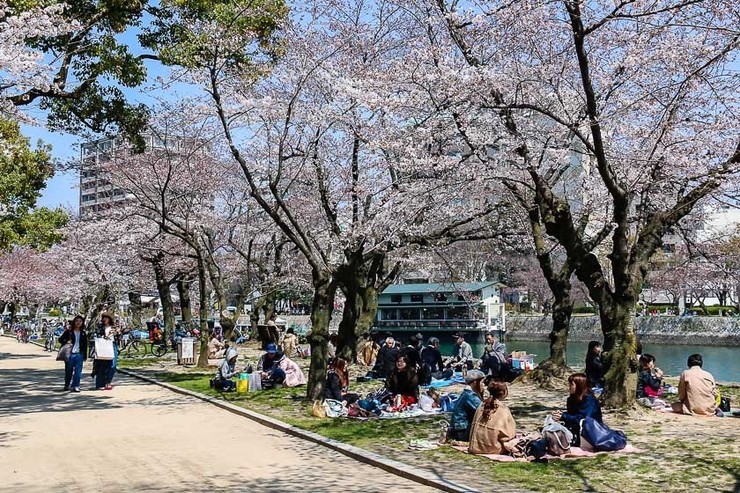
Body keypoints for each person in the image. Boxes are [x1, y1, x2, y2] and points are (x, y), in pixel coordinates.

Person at [468, 379, 517, 455]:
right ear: (504, 392)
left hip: (475, 446)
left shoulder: (482, 405)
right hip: (492, 448)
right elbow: (509, 434)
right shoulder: (503, 409)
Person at [554, 372, 603, 444]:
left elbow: (584, 419)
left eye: (571, 385)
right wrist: (561, 414)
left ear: (579, 385)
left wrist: (564, 416)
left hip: (592, 431)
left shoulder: (589, 400)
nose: (569, 387)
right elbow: (572, 414)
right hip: (576, 428)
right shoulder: (571, 399)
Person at [446, 370, 486, 442]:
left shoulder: (468, 394)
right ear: (474, 382)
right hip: (462, 431)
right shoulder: (470, 396)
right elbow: (483, 410)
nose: (483, 385)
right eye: (482, 382)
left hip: (460, 429)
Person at [59, 315, 88, 392]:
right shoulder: (69, 332)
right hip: (70, 354)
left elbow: (85, 345)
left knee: (78, 371)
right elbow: (60, 339)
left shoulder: (83, 333)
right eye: (77, 321)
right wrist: (66, 341)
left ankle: (76, 385)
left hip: (79, 354)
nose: (78, 323)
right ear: (74, 322)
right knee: (68, 371)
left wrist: (85, 355)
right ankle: (67, 384)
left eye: (80, 321)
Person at [94, 313, 117, 391]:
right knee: (102, 365)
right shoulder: (99, 327)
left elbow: (119, 336)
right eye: (104, 318)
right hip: (102, 346)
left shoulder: (114, 327)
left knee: (113, 366)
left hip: (112, 346)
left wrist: (117, 333)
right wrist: (103, 336)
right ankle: (100, 384)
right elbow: (96, 335)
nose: (105, 319)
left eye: (106, 318)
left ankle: (108, 381)